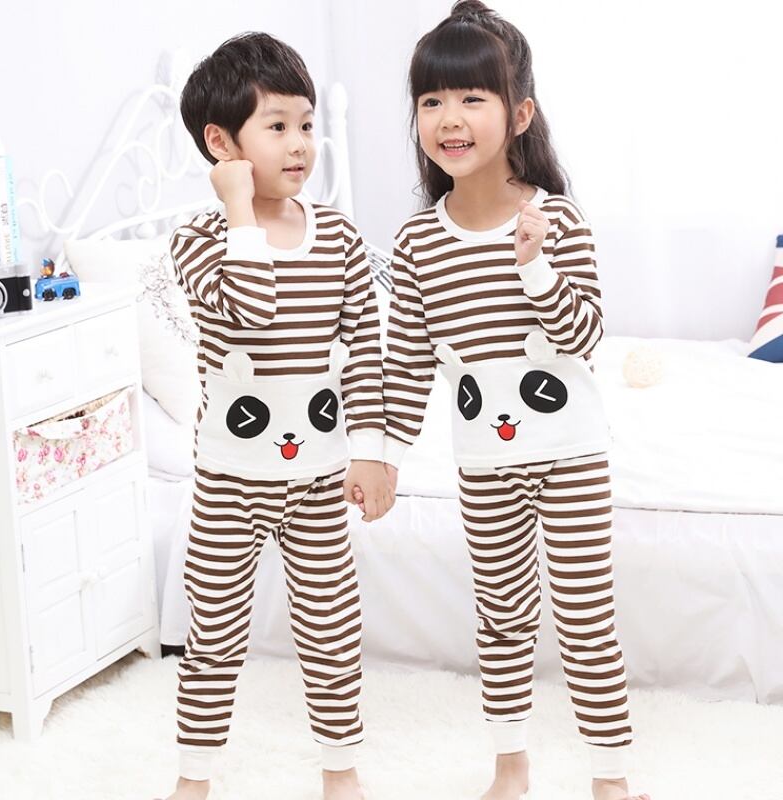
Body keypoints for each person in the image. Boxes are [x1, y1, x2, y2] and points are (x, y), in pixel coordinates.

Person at [366, 3, 651, 798]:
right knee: (501, 616)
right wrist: (381, 455)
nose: (449, 119)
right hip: (483, 463)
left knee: (586, 616)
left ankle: (612, 777)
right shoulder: (418, 242)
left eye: (472, 97)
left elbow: (583, 337)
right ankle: (510, 768)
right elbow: (407, 363)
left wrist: (535, 267)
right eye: (431, 100)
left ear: (519, 114)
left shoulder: (555, 218)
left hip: (569, 455)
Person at [158, 31, 393, 800]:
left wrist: (372, 451)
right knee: (214, 638)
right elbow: (252, 309)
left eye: (306, 124)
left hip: (318, 478)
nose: (300, 144)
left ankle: (341, 772)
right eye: (278, 126)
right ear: (221, 144)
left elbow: (365, 351)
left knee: (332, 633)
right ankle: (195, 778)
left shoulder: (341, 237)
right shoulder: (197, 241)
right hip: (230, 480)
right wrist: (237, 207)